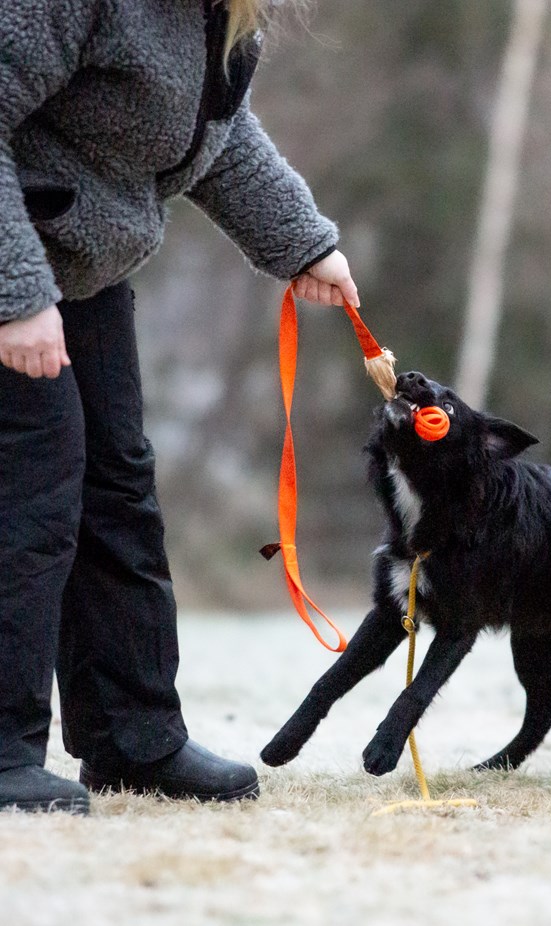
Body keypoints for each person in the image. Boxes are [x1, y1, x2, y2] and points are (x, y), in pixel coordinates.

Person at [0, 0, 359, 815]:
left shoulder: (221, 14)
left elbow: (216, 138)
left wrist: (304, 242)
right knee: (30, 487)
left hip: (78, 267)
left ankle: (134, 739)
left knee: (116, 489)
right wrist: (14, 296)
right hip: (17, 259)